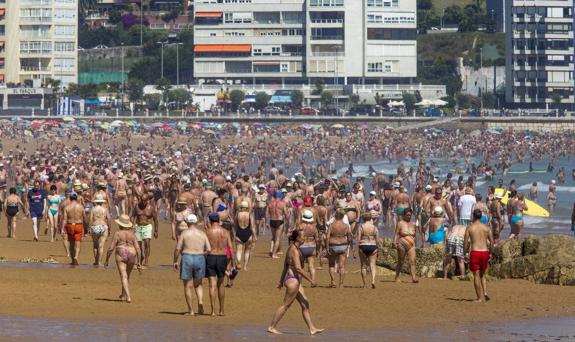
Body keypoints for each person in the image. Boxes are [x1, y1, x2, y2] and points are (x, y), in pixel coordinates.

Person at [268, 229, 323, 336]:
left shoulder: (293, 248)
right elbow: (298, 268)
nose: (305, 238)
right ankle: (272, 326)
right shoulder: (294, 250)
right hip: (293, 281)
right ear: (297, 238)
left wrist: (280, 281)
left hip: (294, 280)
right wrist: (311, 280)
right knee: (285, 305)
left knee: (305, 304)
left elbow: (285, 266)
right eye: (303, 236)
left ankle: (312, 328)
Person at [173, 214, 211, 316]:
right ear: (196, 222)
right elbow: (209, 249)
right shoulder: (202, 234)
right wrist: (201, 254)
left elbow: (177, 249)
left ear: (188, 222)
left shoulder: (184, 233)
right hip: (199, 258)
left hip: (187, 257)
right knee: (198, 284)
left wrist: (175, 261)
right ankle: (200, 302)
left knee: (187, 286)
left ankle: (191, 310)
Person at [104, 214, 141, 303]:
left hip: (121, 252)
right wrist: (139, 262)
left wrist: (106, 260)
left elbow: (111, 248)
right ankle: (123, 295)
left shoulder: (118, 233)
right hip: (132, 253)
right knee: (127, 276)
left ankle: (128, 296)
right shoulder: (132, 234)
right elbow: (138, 249)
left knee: (123, 275)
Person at [205, 212, 236, 316]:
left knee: (212, 285)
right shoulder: (226, 232)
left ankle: (213, 311)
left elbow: (204, 247)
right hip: (222, 257)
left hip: (211, 257)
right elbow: (231, 249)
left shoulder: (207, 232)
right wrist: (234, 262)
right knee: (221, 284)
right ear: (218, 220)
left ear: (210, 220)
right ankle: (221, 310)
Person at [464, 209, 494, 303]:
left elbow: (465, 241)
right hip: (484, 252)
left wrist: (464, 252)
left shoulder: (470, 227)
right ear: (481, 216)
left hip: (475, 252)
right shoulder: (486, 227)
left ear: (473, 216)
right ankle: (485, 292)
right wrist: (491, 253)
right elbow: (492, 241)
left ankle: (479, 298)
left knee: (476, 275)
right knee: (483, 274)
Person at [326, 209, 352, 288]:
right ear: (343, 216)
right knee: (342, 266)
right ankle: (341, 284)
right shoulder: (346, 226)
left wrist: (327, 247)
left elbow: (327, 237)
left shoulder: (332, 225)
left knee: (331, 264)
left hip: (333, 245)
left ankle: (333, 281)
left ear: (336, 215)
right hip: (343, 245)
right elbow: (349, 238)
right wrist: (349, 245)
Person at [393, 208, 418, 283]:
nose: (409, 217)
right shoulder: (400, 223)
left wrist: (415, 243)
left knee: (412, 261)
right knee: (401, 261)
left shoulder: (413, 224)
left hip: (411, 245)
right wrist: (394, 242)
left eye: (410, 215)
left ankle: (413, 278)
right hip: (402, 244)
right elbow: (396, 233)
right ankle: (397, 277)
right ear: (404, 215)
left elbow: (415, 235)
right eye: (407, 215)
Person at [133, 194, 159, 267]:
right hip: (138, 226)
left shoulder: (151, 208)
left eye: (144, 200)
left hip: (147, 226)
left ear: (147, 200)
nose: (143, 202)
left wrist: (156, 231)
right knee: (138, 245)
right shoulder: (137, 207)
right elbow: (133, 216)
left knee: (147, 243)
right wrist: (132, 225)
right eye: (141, 200)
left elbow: (155, 220)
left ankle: (146, 261)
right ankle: (141, 257)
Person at [61, 192, 85, 265]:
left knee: (71, 244)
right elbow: (85, 217)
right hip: (79, 224)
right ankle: (76, 257)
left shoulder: (67, 207)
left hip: (70, 225)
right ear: (76, 198)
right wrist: (87, 227)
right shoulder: (81, 207)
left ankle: (72, 260)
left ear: (70, 198)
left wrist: (62, 228)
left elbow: (64, 219)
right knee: (78, 243)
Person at [357, 212, 378, 289]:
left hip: (363, 245)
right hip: (373, 245)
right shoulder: (374, 227)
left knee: (363, 266)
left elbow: (358, 239)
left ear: (363, 218)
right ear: (370, 218)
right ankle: (373, 281)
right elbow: (377, 239)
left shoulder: (361, 227)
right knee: (373, 264)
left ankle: (365, 284)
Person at [89, 194, 111, 267]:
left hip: (95, 226)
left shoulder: (93, 209)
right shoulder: (105, 209)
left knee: (95, 245)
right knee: (101, 246)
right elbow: (109, 219)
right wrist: (109, 228)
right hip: (103, 226)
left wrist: (89, 228)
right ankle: (99, 262)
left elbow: (90, 219)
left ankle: (95, 261)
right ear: (102, 202)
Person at [299, 209, 319, 286]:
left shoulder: (300, 226)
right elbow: (317, 240)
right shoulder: (314, 228)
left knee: (300, 266)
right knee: (311, 265)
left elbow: (295, 238)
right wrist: (317, 250)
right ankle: (313, 281)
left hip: (302, 247)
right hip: (311, 247)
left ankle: (300, 282)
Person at [235, 201, 256, 270]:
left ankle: (238, 263)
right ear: (247, 208)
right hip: (248, 233)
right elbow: (252, 226)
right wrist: (255, 236)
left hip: (239, 233)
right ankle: (245, 266)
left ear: (241, 207)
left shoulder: (237, 214)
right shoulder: (250, 214)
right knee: (247, 251)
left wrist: (235, 233)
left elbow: (235, 225)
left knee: (239, 250)